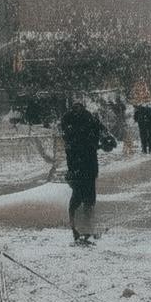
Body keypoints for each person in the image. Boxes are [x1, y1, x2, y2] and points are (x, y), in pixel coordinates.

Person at [60, 98, 117, 243]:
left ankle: (81, 227)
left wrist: (103, 141)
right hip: (84, 165)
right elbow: (103, 135)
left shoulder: (73, 120)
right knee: (85, 197)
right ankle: (82, 227)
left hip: (79, 165)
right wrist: (101, 142)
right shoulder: (87, 119)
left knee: (81, 197)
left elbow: (103, 135)